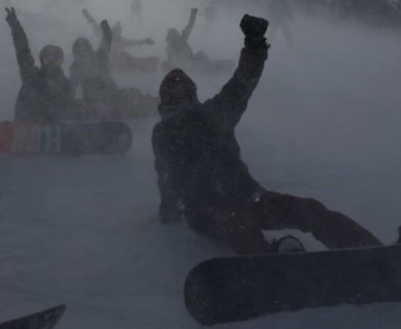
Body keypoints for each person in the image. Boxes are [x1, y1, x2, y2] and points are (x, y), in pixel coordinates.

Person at [152, 14, 384, 254]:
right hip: (206, 208)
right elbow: (166, 172)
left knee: (309, 211)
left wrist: (254, 45)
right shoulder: (165, 132)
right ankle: (271, 263)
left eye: (182, 94)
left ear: (191, 96)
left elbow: (241, 83)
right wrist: (169, 207)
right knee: (236, 225)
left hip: (248, 196)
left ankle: (371, 251)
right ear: (167, 102)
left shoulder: (214, 114)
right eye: (173, 96)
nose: (178, 102)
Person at [4, 6, 73, 124]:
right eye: (47, 59)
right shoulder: (32, 75)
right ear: (42, 61)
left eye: (55, 60)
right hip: (26, 128)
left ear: (61, 62)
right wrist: (16, 28)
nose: (51, 63)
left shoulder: (65, 83)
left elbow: (67, 109)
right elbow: (23, 52)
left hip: (54, 130)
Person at [81, 9, 158, 71]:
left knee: (124, 56)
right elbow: (95, 25)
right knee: (123, 57)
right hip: (105, 61)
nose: (117, 33)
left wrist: (145, 41)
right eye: (115, 31)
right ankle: (140, 64)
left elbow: (133, 42)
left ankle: (146, 63)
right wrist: (88, 16)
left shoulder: (120, 41)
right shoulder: (105, 35)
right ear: (112, 30)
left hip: (114, 61)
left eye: (118, 31)